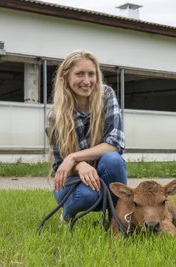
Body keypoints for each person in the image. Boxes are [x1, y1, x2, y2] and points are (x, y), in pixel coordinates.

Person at [46, 50, 127, 222]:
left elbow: (114, 143)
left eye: (91, 74)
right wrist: (80, 165)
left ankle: (117, 218)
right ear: (66, 77)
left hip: (103, 172)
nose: (87, 81)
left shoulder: (106, 95)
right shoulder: (55, 116)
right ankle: (67, 213)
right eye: (79, 74)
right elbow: (61, 166)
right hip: (72, 182)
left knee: (113, 159)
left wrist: (75, 157)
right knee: (86, 196)